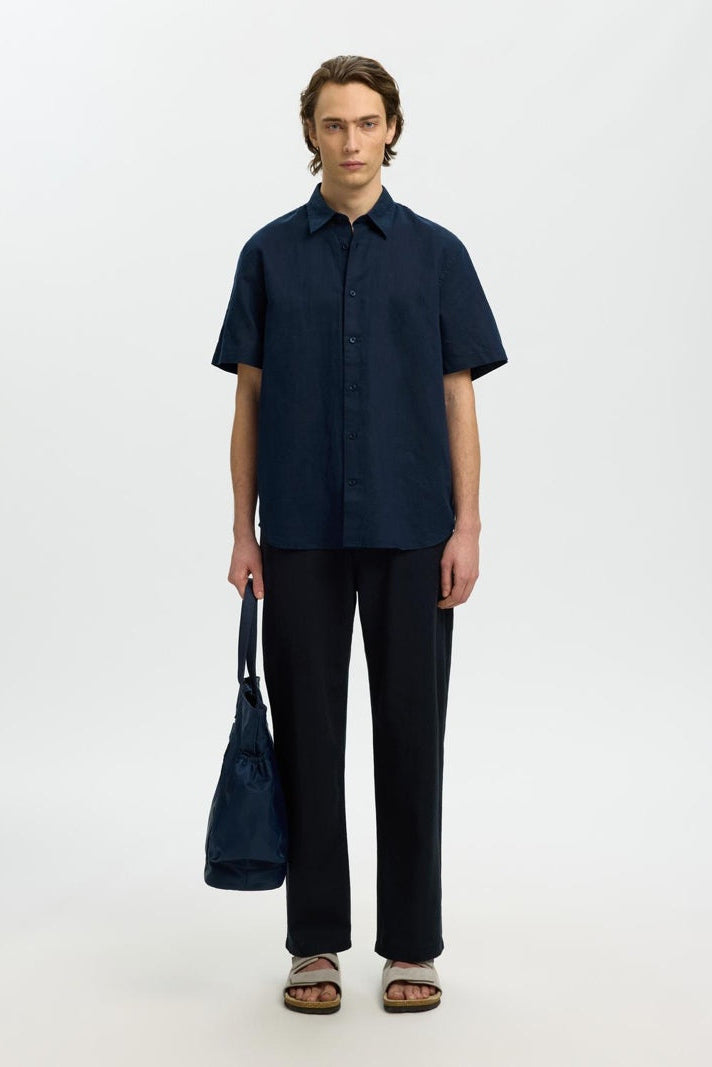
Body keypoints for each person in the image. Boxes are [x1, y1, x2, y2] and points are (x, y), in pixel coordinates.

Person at [210, 55, 508, 1014]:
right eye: (334, 124)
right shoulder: (266, 254)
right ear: (311, 133)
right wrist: (244, 529)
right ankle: (315, 944)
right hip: (298, 531)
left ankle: (412, 943)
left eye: (367, 123)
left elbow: (459, 399)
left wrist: (467, 524)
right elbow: (249, 402)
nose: (351, 142)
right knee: (308, 738)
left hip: (415, 528)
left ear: (392, 130)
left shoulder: (437, 254)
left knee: (412, 737)